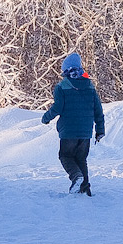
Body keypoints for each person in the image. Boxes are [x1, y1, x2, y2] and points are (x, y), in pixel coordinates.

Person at [40, 52, 105, 195]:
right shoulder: (89, 86)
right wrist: (100, 130)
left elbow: (58, 107)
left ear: (66, 70)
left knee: (65, 156)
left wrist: (46, 118)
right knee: (81, 158)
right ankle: (84, 188)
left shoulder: (61, 87)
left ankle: (77, 177)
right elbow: (98, 110)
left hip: (68, 131)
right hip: (85, 131)